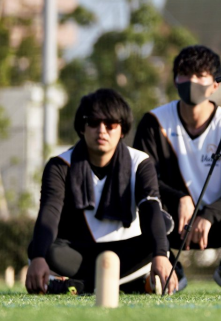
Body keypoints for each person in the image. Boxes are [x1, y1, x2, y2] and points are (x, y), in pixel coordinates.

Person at [26, 89, 178, 295]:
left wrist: (160, 254)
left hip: (125, 252)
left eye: (110, 124)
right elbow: (49, 213)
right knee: (42, 248)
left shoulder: (140, 162)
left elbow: (150, 208)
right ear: (82, 128)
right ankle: (127, 284)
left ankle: (79, 286)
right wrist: (38, 258)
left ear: (122, 129)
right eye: (93, 122)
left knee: (160, 234)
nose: (102, 130)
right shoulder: (60, 165)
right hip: (78, 254)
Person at [133, 45, 221, 294]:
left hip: (214, 224)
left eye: (201, 76)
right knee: (140, 209)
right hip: (171, 222)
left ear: (215, 84)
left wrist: (210, 214)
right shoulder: (153, 122)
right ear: (175, 80)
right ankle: (169, 264)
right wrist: (179, 198)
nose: (192, 82)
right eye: (185, 74)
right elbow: (142, 178)